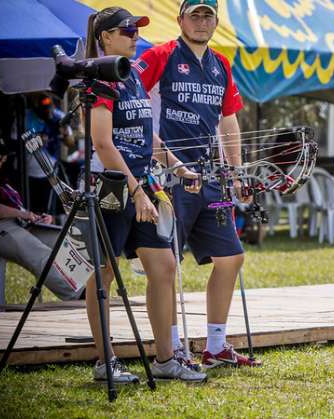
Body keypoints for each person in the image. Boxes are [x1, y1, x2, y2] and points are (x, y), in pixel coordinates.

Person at [134, 0, 261, 368]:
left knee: (231, 257)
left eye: (208, 16)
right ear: (180, 20)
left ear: (216, 21)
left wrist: (236, 173)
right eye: (195, 15)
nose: (202, 22)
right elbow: (133, 109)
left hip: (210, 178)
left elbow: (229, 122)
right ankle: (171, 348)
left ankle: (216, 346)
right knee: (166, 266)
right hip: (168, 179)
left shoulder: (221, 64)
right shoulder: (162, 56)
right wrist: (163, 159)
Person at [84, 6, 206, 382]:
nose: (136, 37)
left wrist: (177, 165)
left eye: (137, 31)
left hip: (141, 186)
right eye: (128, 31)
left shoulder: (132, 75)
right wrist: (137, 191)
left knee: (164, 266)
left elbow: (144, 133)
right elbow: (103, 144)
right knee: (105, 273)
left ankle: (165, 360)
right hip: (111, 187)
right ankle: (105, 363)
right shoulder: (97, 81)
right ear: (105, 36)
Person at [0, 134, 83, 301]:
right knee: (37, 252)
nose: (0, 163)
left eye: (2, 159)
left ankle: (88, 285)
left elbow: (17, 208)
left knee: (63, 239)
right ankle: (78, 295)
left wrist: (37, 217)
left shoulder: (0, 180)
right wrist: (23, 214)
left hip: (18, 222)